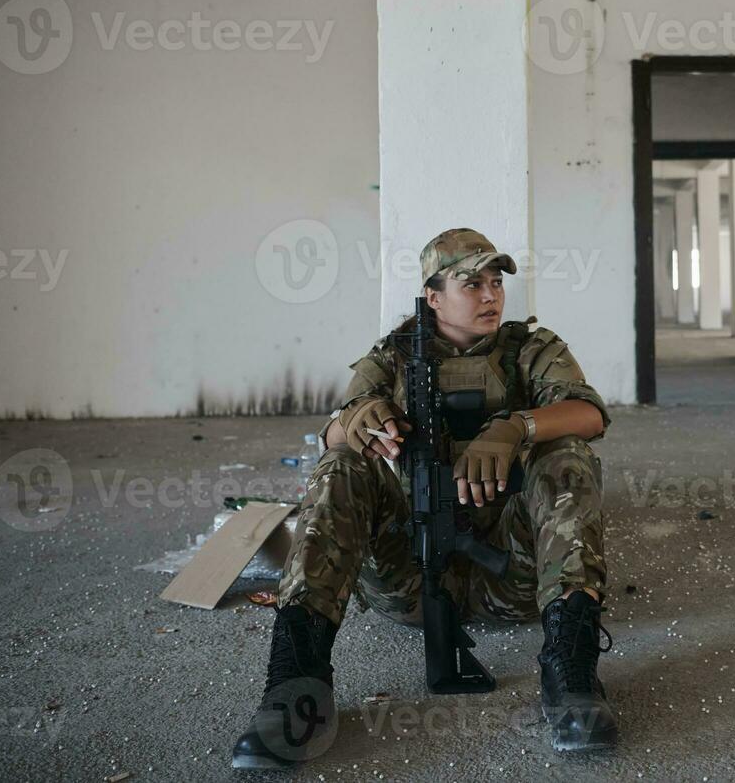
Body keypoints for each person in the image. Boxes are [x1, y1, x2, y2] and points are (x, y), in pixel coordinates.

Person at [232, 228, 617, 769]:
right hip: (407, 577)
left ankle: (572, 676)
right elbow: (331, 437)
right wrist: (353, 421)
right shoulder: (393, 356)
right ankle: (294, 684)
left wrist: (515, 428)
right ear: (433, 297)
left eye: (495, 282)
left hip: (517, 575)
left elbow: (590, 413)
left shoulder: (531, 348)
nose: (490, 295)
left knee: (567, 456)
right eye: (471, 284)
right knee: (341, 464)